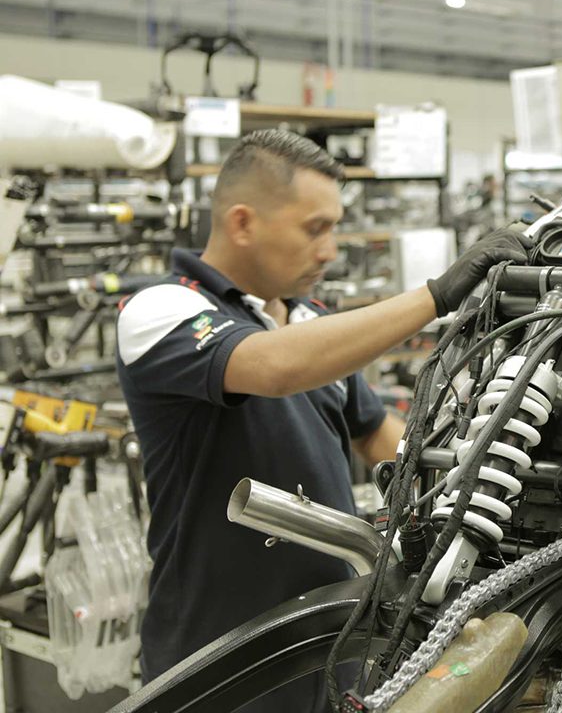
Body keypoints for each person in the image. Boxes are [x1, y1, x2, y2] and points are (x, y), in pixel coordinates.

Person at [115, 129, 528, 712]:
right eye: (316, 228)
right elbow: (274, 365)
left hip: (332, 645)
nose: (331, 250)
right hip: (220, 660)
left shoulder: (310, 318)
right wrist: (437, 296)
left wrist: (478, 500)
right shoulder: (161, 310)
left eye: (335, 227)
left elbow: (380, 438)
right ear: (242, 223)